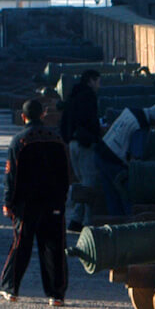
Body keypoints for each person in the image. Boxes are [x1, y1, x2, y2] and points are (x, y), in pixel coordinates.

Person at [0, 97, 73, 306]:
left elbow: (11, 175)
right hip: (53, 202)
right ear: (43, 115)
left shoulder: (19, 141)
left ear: (23, 117)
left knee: (21, 246)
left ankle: (11, 289)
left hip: (26, 204)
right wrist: (62, 199)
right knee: (54, 249)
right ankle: (56, 295)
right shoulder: (57, 140)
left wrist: (8, 203)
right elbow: (66, 173)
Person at [60, 70, 103, 231]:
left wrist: (67, 137)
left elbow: (64, 120)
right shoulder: (89, 96)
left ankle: (76, 219)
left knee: (81, 181)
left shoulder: (73, 95)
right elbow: (91, 121)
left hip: (72, 142)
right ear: (91, 81)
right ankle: (86, 220)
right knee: (89, 182)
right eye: (98, 82)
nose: (99, 86)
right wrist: (96, 138)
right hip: (85, 144)